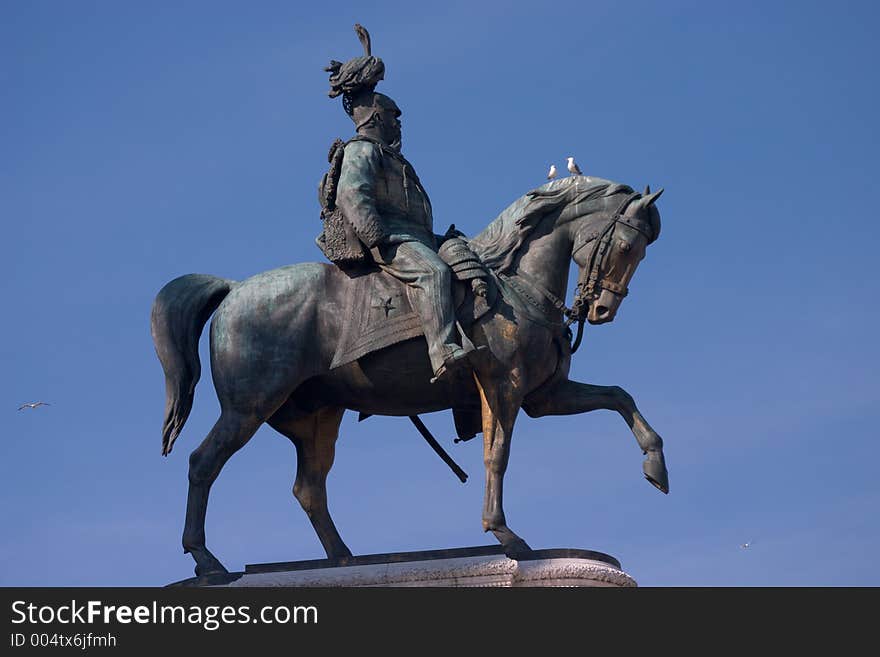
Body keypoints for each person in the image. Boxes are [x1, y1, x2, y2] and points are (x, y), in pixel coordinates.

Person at [335, 92, 472, 383]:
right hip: (389, 239)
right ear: (376, 117)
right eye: (394, 115)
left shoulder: (392, 157)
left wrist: (438, 239)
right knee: (434, 273)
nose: (399, 123)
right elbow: (351, 195)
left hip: (416, 238)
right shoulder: (362, 150)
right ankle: (443, 351)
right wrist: (377, 235)